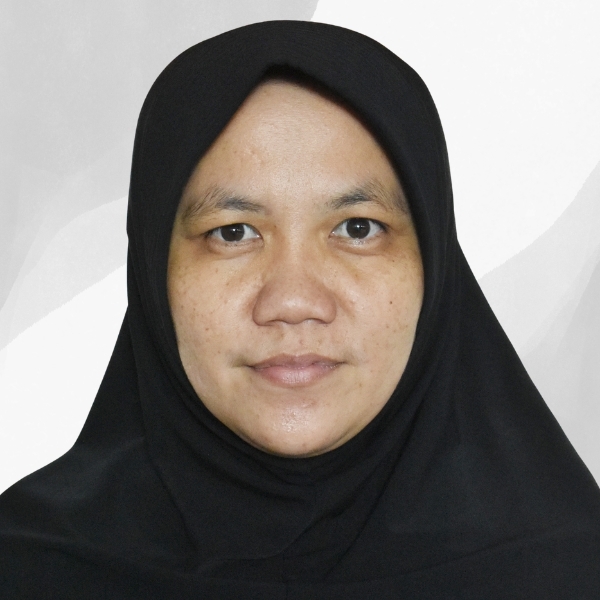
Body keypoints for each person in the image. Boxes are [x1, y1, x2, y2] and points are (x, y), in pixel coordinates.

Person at [1, 20, 599, 599]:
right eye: (233, 232)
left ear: (434, 265)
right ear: (154, 271)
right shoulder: (27, 567)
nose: (292, 302)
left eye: (357, 228)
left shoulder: (568, 570)